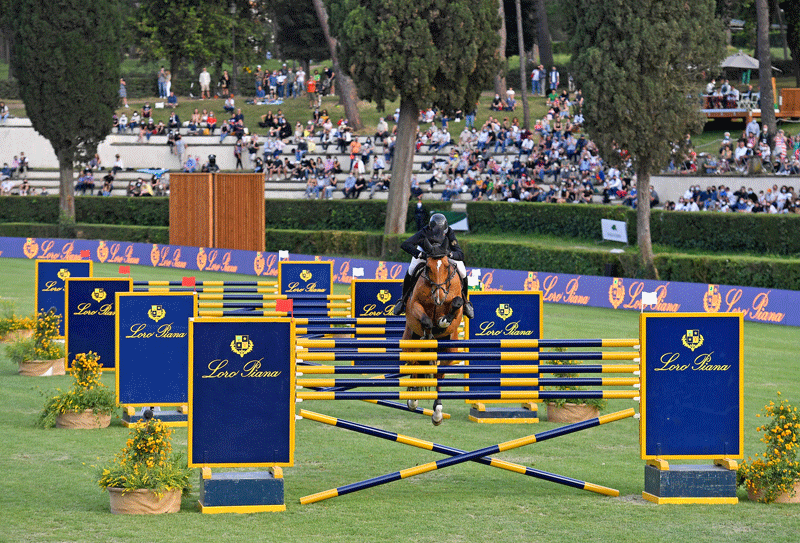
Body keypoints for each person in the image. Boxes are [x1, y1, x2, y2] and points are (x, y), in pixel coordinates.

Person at [392, 213, 473, 319]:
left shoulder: (449, 231)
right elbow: (405, 244)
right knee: (411, 270)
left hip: (444, 255)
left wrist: (450, 254)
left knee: (462, 272)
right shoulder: (424, 231)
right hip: (426, 253)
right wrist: (419, 254)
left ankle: (466, 302)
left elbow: (460, 253)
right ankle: (402, 300)